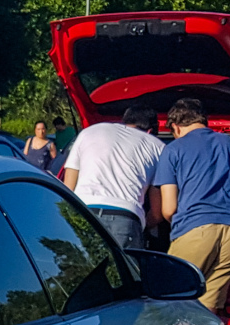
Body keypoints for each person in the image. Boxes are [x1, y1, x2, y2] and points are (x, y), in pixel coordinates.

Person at [153, 98, 230, 314]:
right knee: (208, 309)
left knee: (171, 302)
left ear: (175, 127)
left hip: (195, 230)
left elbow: (169, 209)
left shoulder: (173, 149)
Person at [62, 105, 164, 249]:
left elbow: (68, 188)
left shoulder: (89, 132)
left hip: (84, 212)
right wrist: (144, 226)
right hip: (125, 217)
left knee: (82, 270)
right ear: (150, 131)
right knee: (123, 270)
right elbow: (157, 212)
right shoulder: (157, 146)